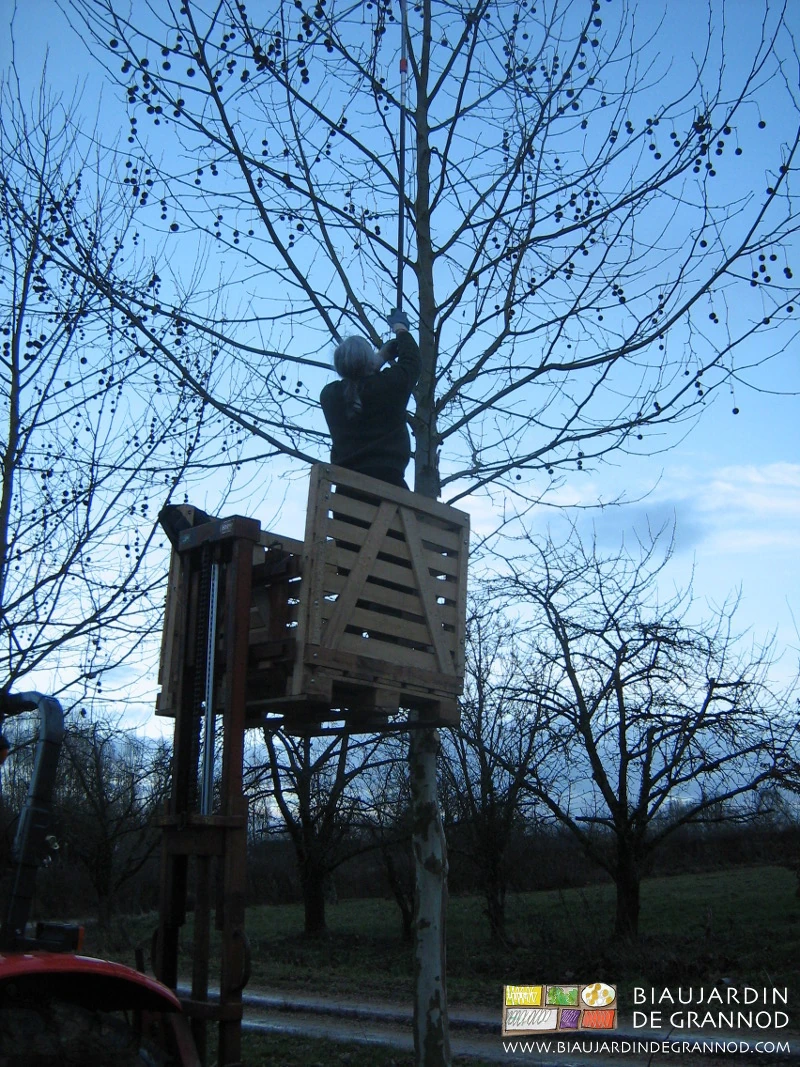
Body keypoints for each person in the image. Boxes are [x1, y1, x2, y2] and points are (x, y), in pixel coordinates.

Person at [320, 309, 420, 489]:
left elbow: (359, 383)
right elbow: (412, 362)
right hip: (389, 491)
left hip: (346, 495)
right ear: (369, 362)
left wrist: (380, 358)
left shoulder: (329, 396)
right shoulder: (388, 386)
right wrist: (401, 329)